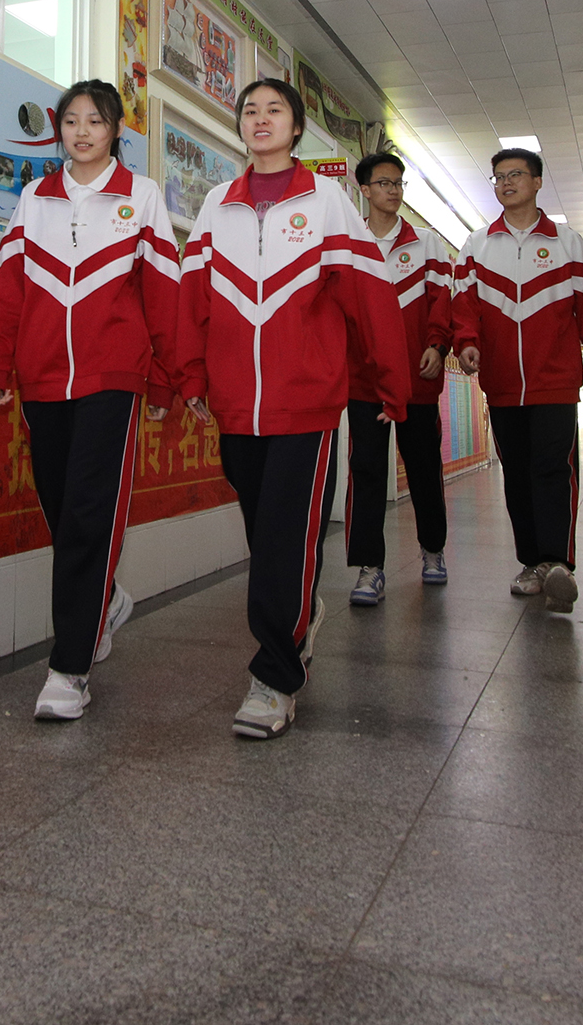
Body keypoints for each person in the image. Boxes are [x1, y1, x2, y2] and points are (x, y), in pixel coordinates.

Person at [174, 79, 406, 739]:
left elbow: (368, 294)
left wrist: (389, 382)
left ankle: (275, 677)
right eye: (250, 110)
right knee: (267, 531)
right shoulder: (218, 204)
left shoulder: (326, 201)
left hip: (306, 403)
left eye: (274, 110)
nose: (260, 119)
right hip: (236, 406)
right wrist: (191, 377)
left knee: (283, 536)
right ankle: (298, 618)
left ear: (296, 127)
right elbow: (194, 299)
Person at [0, 80, 182, 723]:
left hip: (111, 380)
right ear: (59, 130)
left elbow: (165, 294)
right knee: (61, 508)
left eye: (95, 121)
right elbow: (7, 288)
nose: (83, 132)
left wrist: (164, 378)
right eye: (71, 121)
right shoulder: (34, 198)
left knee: (91, 511)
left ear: (116, 129)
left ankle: (70, 668)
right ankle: (106, 598)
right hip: (42, 380)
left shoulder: (141, 196)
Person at [450, 147, 583, 614]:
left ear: (538, 182)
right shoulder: (477, 246)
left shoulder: (567, 243)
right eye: (499, 176)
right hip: (502, 385)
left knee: (553, 469)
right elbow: (463, 307)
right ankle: (532, 563)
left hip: (555, 383)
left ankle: (557, 563)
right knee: (518, 476)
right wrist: (466, 343)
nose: (506, 183)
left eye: (516, 174)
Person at [343, 151, 455, 605]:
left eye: (398, 184)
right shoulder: (349, 245)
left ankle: (433, 550)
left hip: (417, 381)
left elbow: (442, 302)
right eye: (384, 183)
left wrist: (437, 345)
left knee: (425, 470)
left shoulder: (426, 244)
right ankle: (370, 567)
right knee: (367, 472)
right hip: (365, 383)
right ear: (364, 190)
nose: (393, 191)